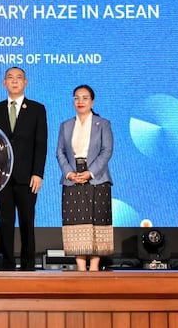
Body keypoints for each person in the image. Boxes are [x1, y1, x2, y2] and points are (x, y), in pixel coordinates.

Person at [0, 66, 48, 271]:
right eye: (10, 78)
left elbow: (41, 144)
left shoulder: (37, 109)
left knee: (27, 222)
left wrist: (38, 173)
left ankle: (28, 265)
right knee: (5, 222)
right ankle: (6, 264)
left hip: (27, 176)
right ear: (4, 82)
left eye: (19, 78)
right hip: (1, 177)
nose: (14, 81)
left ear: (25, 82)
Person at [55, 84, 114, 271]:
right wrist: (69, 173)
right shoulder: (66, 125)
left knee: (97, 220)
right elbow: (60, 152)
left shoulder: (102, 123)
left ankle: (95, 266)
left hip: (97, 178)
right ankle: (80, 267)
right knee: (75, 220)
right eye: (77, 98)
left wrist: (90, 172)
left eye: (85, 98)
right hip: (72, 177)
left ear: (92, 102)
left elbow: (107, 150)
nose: (80, 101)